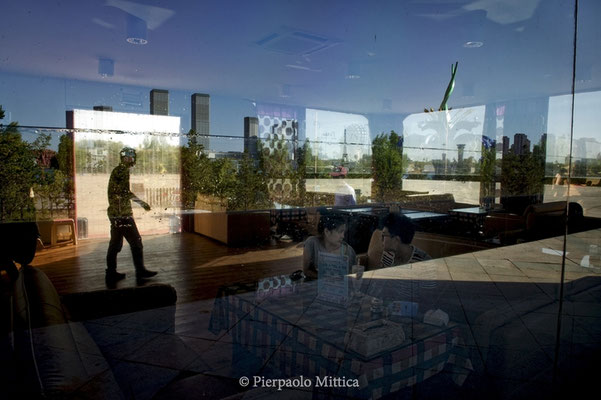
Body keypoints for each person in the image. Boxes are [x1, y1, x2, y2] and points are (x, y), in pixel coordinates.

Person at [106, 147, 157, 282]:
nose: (131, 159)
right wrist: (142, 203)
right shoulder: (122, 171)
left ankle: (111, 272)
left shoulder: (118, 170)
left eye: (131, 157)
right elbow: (124, 192)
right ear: (124, 158)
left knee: (115, 244)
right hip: (122, 214)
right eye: (129, 157)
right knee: (136, 242)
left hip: (115, 213)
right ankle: (140, 271)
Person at [366, 212, 431, 270]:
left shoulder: (423, 261)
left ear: (396, 240)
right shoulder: (388, 253)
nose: (381, 239)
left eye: (383, 235)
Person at [303, 210, 356, 280]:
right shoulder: (312, 243)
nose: (343, 236)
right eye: (340, 232)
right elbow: (306, 271)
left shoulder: (348, 251)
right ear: (327, 231)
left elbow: (351, 277)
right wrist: (325, 278)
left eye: (344, 232)